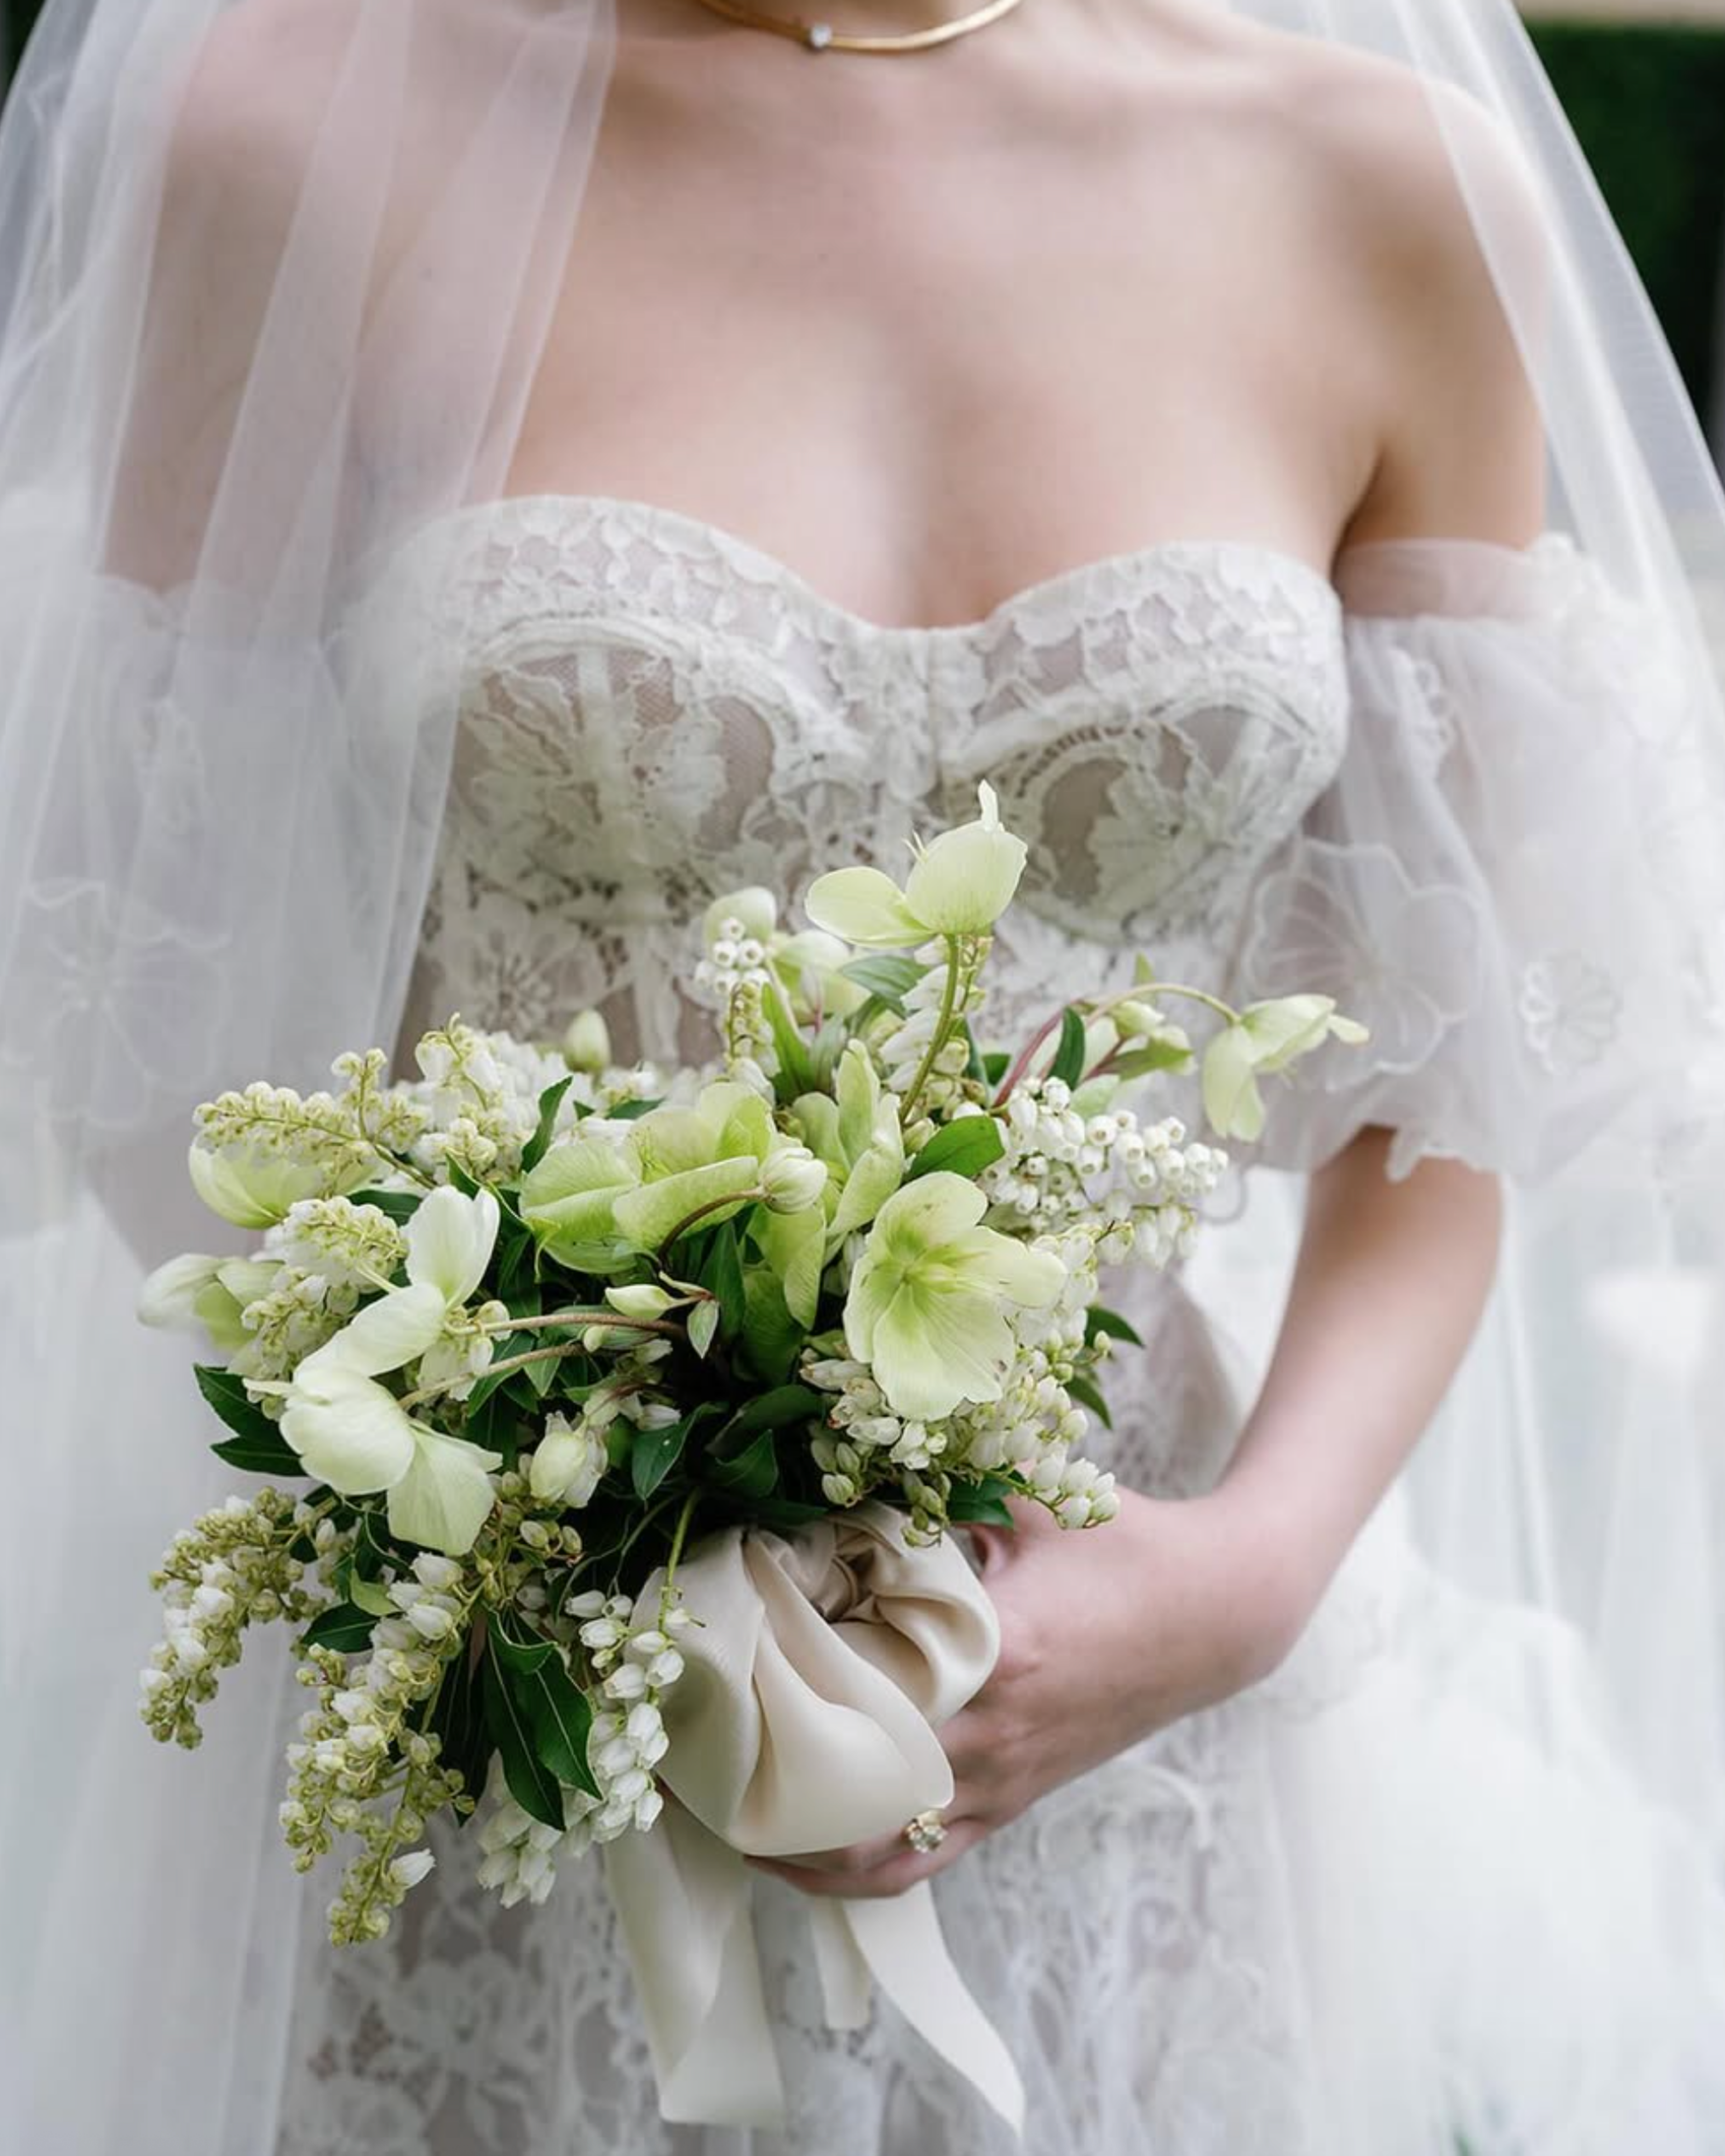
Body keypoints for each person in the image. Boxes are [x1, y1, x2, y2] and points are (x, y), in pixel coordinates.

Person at [2, 0, 1724, 2150]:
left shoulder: (1385, 188)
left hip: (1124, 1707)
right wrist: (544, 1486)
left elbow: (1462, 1054)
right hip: (529, 1708)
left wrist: (1241, 1577)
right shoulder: (295, 132)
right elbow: (135, 964)